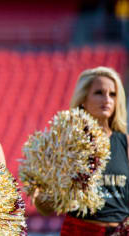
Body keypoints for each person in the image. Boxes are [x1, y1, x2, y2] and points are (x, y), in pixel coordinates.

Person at [33, 66, 129, 236]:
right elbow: (44, 205)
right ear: (83, 100)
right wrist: (49, 198)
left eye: (112, 94)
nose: (107, 99)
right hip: (80, 230)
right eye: (99, 92)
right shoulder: (66, 141)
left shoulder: (125, 142)